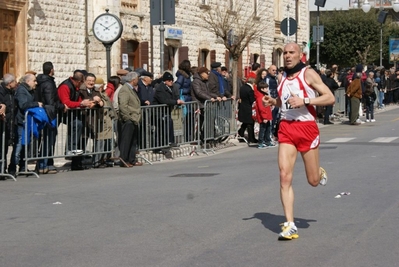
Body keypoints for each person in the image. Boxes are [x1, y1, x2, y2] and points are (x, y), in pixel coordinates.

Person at [262, 42, 335, 240]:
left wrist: (306, 101)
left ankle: (318, 172)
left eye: (291, 52)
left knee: (312, 181)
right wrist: (273, 102)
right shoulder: (281, 76)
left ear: (300, 55)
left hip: (307, 128)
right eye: (284, 53)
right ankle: (290, 225)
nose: (287, 56)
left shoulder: (308, 74)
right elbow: (285, 101)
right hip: (286, 128)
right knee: (284, 175)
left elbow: (330, 98)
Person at [35, 62, 68, 174]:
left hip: (44, 113)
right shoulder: (48, 83)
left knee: (48, 140)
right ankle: (43, 165)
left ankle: (48, 164)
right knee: (49, 140)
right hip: (49, 114)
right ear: (51, 70)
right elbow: (50, 102)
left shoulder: (41, 81)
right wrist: (62, 106)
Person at [58, 70, 93, 170]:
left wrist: (83, 103)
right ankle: (70, 152)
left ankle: (76, 160)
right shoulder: (65, 86)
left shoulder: (76, 87)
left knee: (78, 130)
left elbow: (77, 100)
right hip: (62, 114)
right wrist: (81, 104)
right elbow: (66, 102)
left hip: (74, 115)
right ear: (78, 81)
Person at [8, 74, 43, 176]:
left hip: (27, 121)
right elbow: (23, 105)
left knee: (25, 144)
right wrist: (37, 104)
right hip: (21, 121)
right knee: (19, 145)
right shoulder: (22, 90)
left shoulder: (30, 90)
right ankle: (12, 167)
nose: (36, 83)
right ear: (28, 81)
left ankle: (23, 166)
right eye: (34, 81)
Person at [118, 71, 143, 167]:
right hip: (129, 119)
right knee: (126, 140)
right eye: (137, 79)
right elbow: (123, 105)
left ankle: (132, 159)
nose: (138, 81)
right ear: (133, 80)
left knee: (133, 140)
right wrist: (127, 117)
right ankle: (124, 160)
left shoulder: (131, 89)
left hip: (134, 119)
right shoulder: (125, 90)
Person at [153, 72, 185, 147]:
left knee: (170, 124)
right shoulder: (160, 88)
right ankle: (162, 144)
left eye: (172, 80)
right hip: (159, 111)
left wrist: (177, 100)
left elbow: (174, 96)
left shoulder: (171, 88)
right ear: (165, 81)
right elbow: (164, 100)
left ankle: (170, 141)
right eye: (169, 80)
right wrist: (176, 102)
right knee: (162, 128)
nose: (171, 82)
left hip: (166, 111)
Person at [0, 74, 18, 179]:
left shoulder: (12, 92)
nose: (16, 83)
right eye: (14, 81)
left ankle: (3, 169)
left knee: (5, 148)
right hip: (2, 124)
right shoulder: (2, 92)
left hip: (8, 125)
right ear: (9, 83)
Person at [253, 82, 274, 148]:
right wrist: (264, 117)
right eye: (266, 88)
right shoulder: (260, 97)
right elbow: (261, 108)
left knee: (267, 128)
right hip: (264, 116)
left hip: (266, 115)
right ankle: (260, 142)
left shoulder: (263, 96)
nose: (267, 89)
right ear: (262, 89)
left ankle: (267, 141)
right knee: (263, 129)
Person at [237, 77, 257, 143]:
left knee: (245, 122)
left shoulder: (242, 87)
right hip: (248, 107)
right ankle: (251, 138)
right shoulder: (250, 90)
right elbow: (252, 100)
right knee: (250, 123)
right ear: (253, 83)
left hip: (243, 106)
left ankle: (241, 133)